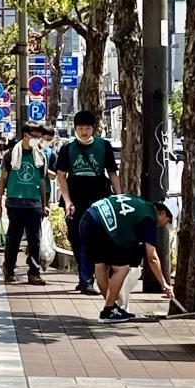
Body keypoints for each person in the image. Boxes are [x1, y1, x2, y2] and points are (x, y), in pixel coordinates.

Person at [80, 195, 173, 323]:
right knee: (122, 267)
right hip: (103, 226)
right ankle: (109, 310)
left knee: (101, 264)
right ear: (162, 212)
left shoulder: (141, 203)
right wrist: (164, 283)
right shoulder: (149, 218)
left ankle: (111, 308)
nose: (164, 225)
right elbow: (152, 257)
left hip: (87, 219)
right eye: (167, 221)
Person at [57, 110, 122, 295]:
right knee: (75, 238)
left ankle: (87, 280)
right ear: (75, 129)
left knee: (95, 238)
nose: (84, 132)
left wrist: (118, 198)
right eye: (80, 128)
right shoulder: (67, 148)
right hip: (75, 197)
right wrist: (67, 201)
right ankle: (84, 277)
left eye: (87, 128)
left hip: (99, 196)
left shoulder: (104, 146)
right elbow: (61, 177)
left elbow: (112, 173)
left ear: (94, 128)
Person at [0, 123, 49, 285]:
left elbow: (42, 181)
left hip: (34, 204)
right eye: (35, 136)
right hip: (15, 203)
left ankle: (34, 272)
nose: (38, 139)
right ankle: (9, 270)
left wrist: (45, 204)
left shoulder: (40, 155)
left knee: (35, 240)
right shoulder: (10, 155)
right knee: (13, 239)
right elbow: (3, 179)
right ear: (25, 135)